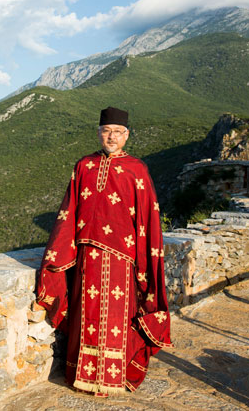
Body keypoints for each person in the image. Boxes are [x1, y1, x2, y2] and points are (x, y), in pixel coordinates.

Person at [36, 106, 172, 395]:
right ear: (99, 134)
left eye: (117, 132)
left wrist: (143, 260)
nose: (111, 137)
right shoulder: (84, 166)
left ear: (127, 135)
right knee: (88, 313)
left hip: (124, 259)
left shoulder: (137, 169)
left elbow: (148, 217)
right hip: (87, 257)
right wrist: (59, 253)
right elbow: (69, 212)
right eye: (106, 131)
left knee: (116, 318)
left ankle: (112, 377)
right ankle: (82, 375)